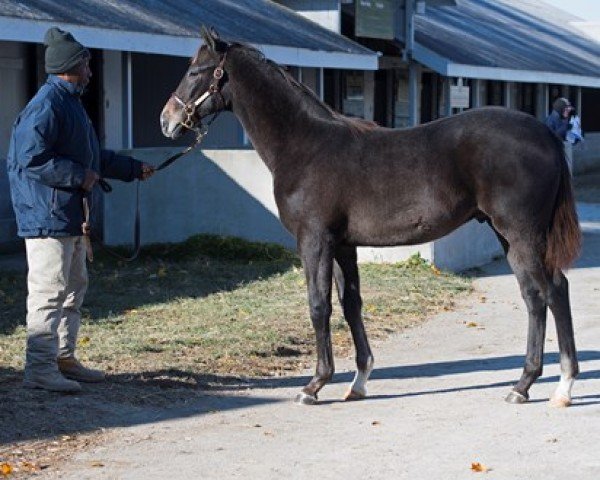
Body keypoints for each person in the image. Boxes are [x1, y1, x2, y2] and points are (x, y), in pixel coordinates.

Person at [7, 27, 155, 393]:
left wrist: (131, 169)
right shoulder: (47, 105)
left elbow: (91, 157)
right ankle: (40, 369)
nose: (90, 71)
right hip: (47, 218)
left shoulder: (68, 102)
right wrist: (79, 176)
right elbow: (30, 158)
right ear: (69, 67)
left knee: (73, 288)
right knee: (49, 291)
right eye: (86, 65)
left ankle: (63, 359)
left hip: (66, 215)